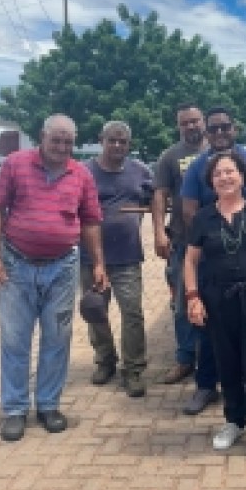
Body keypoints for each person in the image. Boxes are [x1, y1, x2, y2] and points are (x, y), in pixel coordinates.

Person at [0, 115, 107, 442]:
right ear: (42, 136)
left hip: (62, 268)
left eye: (68, 142)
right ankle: (14, 409)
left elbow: (91, 221)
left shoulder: (81, 174)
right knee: (15, 339)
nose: (62, 147)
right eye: (56, 140)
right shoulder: (15, 164)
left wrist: (98, 263)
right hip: (16, 266)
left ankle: (49, 405)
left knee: (57, 338)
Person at [184, 150, 246, 466]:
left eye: (230, 172)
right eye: (218, 174)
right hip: (217, 300)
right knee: (227, 364)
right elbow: (190, 260)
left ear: (242, 176)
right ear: (211, 181)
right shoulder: (203, 218)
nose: (224, 177)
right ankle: (235, 421)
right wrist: (193, 297)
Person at [180, 106, 246, 415]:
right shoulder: (198, 166)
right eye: (214, 128)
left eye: (225, 127)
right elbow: (189, 210)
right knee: (210, 331)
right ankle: (206, 386)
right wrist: (214, 236)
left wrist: (245, 231)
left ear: (234, 128)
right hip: (212, 259)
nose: (220, 133)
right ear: (206, 132)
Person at [81, 120, 154, 398]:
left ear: (129, 144)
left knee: (132, 313)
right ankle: (105, 361)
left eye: (122, 141)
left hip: (127, 256)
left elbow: (156, 198)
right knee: (95, 311)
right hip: (90, 256)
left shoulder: (140, 171)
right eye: (112, 140)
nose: (117, 145)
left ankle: (133, 369)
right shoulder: (85, 171)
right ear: (101, 140)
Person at [152, 104, 207, 384]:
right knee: (182, 303)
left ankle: (215, 358)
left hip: (219, 243)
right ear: (179, 126)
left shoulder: (218, 152)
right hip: (183, 242)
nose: (191, 126)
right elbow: (160, 195)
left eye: (195, 121)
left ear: (203, 121)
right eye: (185, 122)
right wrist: (158, 233)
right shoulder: (170, 156)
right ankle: (185, 358)